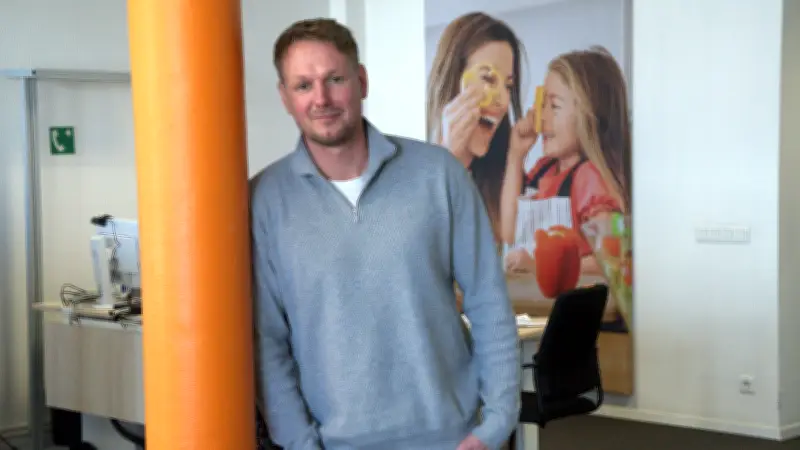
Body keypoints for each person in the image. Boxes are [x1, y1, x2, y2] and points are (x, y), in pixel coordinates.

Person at [250, 18, 520, 450]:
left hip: (451, 439)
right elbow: (268, 342)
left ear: (361, 81)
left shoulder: (438, 174)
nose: (321, 99)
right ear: (285, 97)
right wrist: (299, 443)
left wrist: (496, 423)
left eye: (335, 79)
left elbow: (489, 302)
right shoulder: (264, 199)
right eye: (303, 85)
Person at [500, 46, 631, 278]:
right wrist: (515, 155)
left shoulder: (589, 178)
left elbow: (613, 258)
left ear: (589, 116)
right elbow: (509, 233)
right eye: (542, 105)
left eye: (554, 106)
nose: (542, 117)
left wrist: (542, 266)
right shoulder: (543, 169)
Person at [426, 12, 529, 242]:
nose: (502, 101)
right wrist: (450, 161)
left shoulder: (507, 177)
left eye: (508, 86)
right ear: (453, 80)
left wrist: (515, 158)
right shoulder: (410, 175)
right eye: (488, 79)